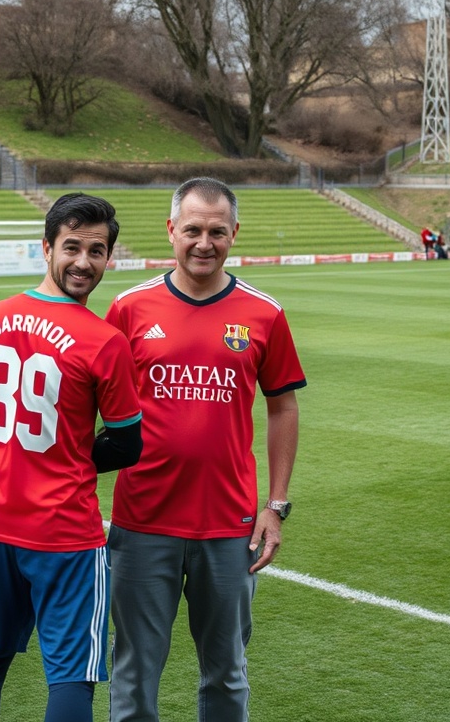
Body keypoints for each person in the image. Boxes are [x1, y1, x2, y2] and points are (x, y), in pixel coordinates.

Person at [105, 177, 306, 721]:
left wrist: (275, 506)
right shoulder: (128, 308)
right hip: (143, 522)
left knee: (226, 672)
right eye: (193, 229)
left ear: (234, 234)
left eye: (217, 232)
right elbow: (92, 405)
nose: (204, 243)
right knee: (134, 672)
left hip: (230, 526)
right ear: (171, 230)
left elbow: (283, 408)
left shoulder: (264, 313)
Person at [0, 193, 144, 722]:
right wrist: (68, 457)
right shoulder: (104, 340)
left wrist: (27, 452)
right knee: (71, 674)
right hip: (64, 530)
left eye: (96, 251)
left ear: (109, 257)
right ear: (46, 247)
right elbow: (128, 444)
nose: (84, 262)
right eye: (73, 247)